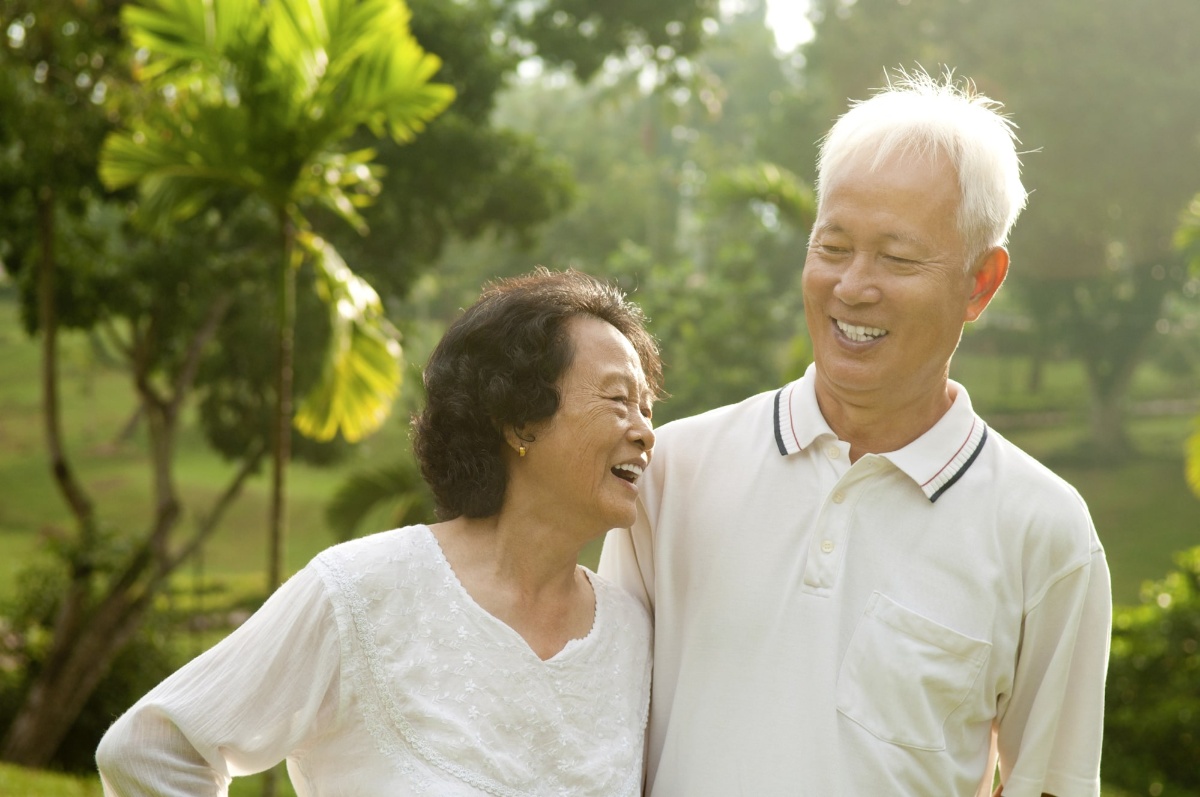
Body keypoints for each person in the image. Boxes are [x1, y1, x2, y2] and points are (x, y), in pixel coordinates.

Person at [599, 69, 1112, 797]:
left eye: (897, 258)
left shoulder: (1045, 530)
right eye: (832, 247)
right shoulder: (670, 471)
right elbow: (596, 736)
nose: (852, 286)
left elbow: (1050, 783)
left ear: (981, 281)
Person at [97, 267, 662, 796]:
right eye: (619, 400)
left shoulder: (634, 636)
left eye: (647, 408)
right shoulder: (364, 589)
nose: (646, 433)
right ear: (519, 420)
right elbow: (150, 750)